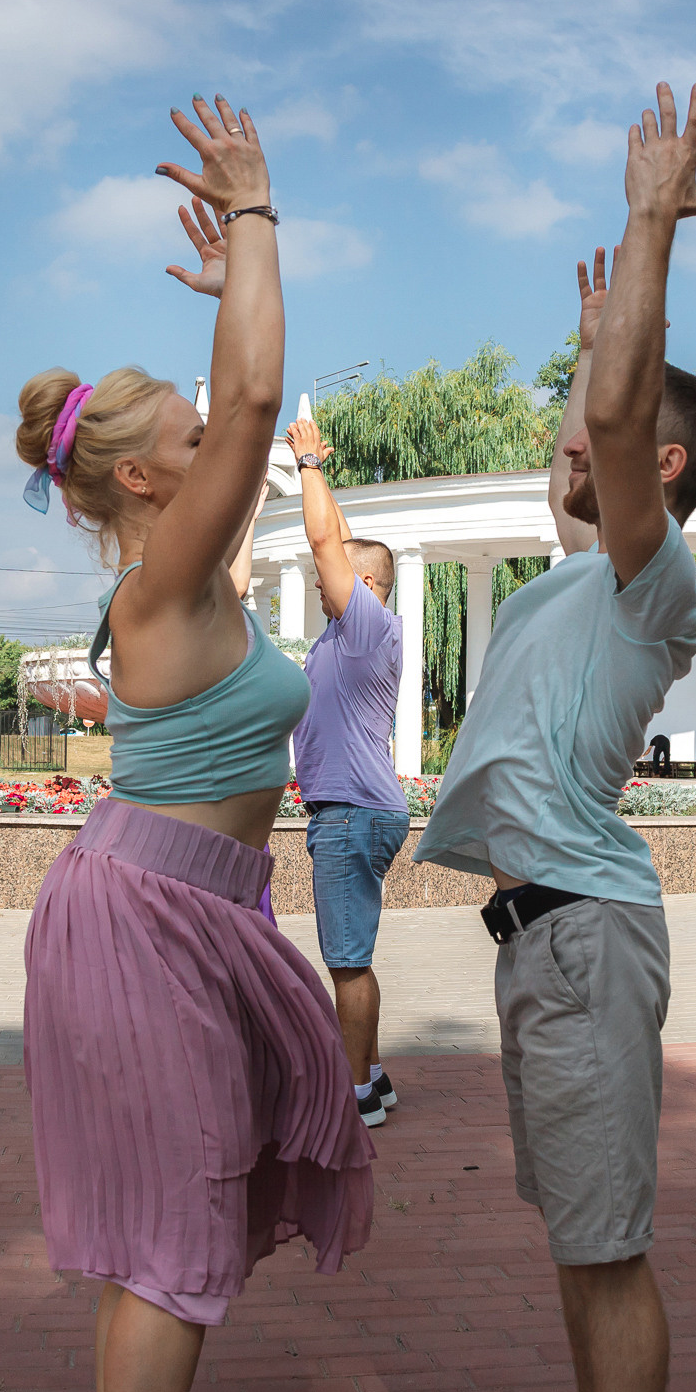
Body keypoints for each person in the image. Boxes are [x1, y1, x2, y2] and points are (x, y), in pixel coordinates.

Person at [14, 97, 372, 1392]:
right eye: (188, 428)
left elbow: (246, 383)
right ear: (153, 482)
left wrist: (234, 283)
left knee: (183, 1228)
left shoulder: (181, 566)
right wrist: (256, 215)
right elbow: (268, 381)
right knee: (168, 1240)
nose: (217, 426)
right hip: (148, 916)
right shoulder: (169, 571)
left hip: (196, 913)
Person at [413, 83, 696, 1392]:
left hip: (589, 938)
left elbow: (613, 423)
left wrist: (649, 224)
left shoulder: (643, 581)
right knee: (576, 1228)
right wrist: (611, 336)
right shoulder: (565, 581)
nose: (571, 433)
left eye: (600, 432)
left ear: (655, 473)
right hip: (536, 941)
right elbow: (602, 412)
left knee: (609, 1244)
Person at [282, 415, 408, 1128]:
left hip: (352, 811)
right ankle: (376, 1075)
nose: (320, 576)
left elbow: (328, 541)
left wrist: (304, 464)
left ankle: (355, 1093)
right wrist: (325, 480)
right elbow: (342, 538)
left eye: (335, 576)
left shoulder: (364, 627)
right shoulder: (355, 628)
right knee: (354, 956)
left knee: (347, 960)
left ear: (362, 585)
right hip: (360, 806)